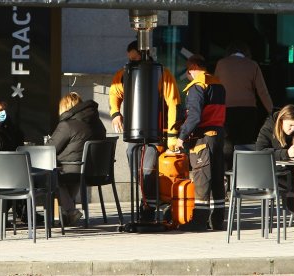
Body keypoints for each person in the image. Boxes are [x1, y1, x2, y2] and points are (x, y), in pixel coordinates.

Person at [109, 40, 182, 221]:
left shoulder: (161, 73)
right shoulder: (125, 73)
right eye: (130, 59)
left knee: (148, 170)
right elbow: (114, 92)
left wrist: (172, 134)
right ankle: (148, 204)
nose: (132, 62)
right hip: (134, 133)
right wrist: (115, 113)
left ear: (144, 54)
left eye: (135, 58)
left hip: (157, 132)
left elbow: (173, 103)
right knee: (137, 171)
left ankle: (151, 206)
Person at [175, 54, 226, 231]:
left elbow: (194, 116)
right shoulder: (218, 83)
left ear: (195, 67)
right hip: (218, 134)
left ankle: (199, 220)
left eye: (188, 70)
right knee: (218, 177)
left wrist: (181, 137)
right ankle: (218, 220)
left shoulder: (197, 86)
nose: (187, 74)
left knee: (202, 176)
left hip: (203, 136)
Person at [46, 92, 106, 226]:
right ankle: (67, 214)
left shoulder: (67, 125)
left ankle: (70, 211)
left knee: (51, 175)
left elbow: (50, 148)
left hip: (73, 170)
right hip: (96, 172)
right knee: (65, 175)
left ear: (65, 107)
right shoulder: (98, 123)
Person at [214, 40, 274, 172]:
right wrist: (272, 111)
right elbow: (262, 91)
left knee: (227, 144)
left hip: (226, 110)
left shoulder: (221, 64)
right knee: (245, 144)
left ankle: (226, 177)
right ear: (246, 52)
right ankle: (244, 175)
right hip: (248, 111)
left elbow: (215, 88)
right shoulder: (253, 65)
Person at [256, 104, 294, 222]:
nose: (293, 129)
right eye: (290, 125)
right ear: (281, 121)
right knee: (293, 187)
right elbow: (260, 151)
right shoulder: (268, 128)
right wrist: (286, 153)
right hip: (275, 173)